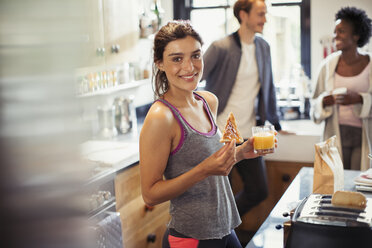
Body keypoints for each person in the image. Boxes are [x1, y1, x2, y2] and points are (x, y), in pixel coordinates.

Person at [139, 20, 273, 248]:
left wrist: (242, 152)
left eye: (196, 55)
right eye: (177, 59)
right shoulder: (161, 117)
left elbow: (212, 162)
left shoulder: (208, 101)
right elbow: (150, 194)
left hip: (225, 228)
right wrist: (202, 170)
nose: (190, 67)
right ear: (160, 63)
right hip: (191, 237)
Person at [201, 0, 288, 218]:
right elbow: (194, 79)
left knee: (259, 191)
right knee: (221, 196)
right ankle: (225, 236)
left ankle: (227, 224)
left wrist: (276, 122)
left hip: (249, 133)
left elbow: (269, 88)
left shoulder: (263, 47)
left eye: (265, 14)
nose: (265, 19)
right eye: (260, 14)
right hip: (220, 135)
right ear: (243, 15)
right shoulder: (221, 47)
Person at [311, 6, 372, 171]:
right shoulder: (326, 67)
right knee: (337, 183)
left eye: (341, 31)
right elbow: (313, 104)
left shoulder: (370, 65)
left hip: (365, 136)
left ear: (356, 35)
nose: (335, 35)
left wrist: (360, 99)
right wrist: (324, 101)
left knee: (360, 185)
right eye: (335, 31)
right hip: (335, 136)